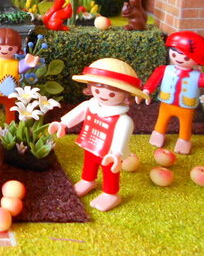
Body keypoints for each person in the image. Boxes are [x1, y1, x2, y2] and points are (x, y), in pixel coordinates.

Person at [48, 58, 146, 212]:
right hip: (90, 143)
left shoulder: (122, 119)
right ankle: (87, 180)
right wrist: (63, 124)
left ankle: (110, 194)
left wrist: (117, 154)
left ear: (126, 95)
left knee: (109, 172)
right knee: (89, 163)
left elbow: (121, 138)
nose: (103, 95)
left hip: (109, 153)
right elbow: (76, 114)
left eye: (112, 93)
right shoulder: (90, 105)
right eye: (98, 90)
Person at [142, 31, 204, 154]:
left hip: (186, 106)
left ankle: (183, 142)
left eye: (185, 57)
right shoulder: (165, 69)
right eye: (174, 54)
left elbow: (203, 82)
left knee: (185, 125)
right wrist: (147, 91)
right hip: (167, 102)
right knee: (161, 120)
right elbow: (154, 80)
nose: (179, 59)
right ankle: (157, 136)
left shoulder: (196, 75)